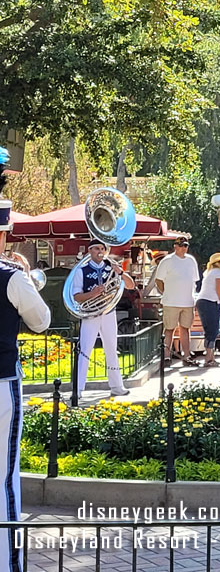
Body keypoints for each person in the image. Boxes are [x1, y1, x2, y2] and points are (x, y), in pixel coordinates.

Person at [0, 164, 51, 569]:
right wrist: (26, 281)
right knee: (5, 478)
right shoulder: (12, 278)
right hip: (1, 383)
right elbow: (42, 321)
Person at [70, 239, 136, 396]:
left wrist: (120, 272)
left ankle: (116, 386)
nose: (100, 251)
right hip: (90, 314)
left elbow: (131, 285)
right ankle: (78, 389)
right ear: (90, 251)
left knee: (111, 349)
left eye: (102, 248)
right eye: (96, 248)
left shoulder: (111, 268)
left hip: (108, 312)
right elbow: (77, 296)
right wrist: (93, 294)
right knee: (85, 350)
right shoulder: (82, 270)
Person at [153, 237, 199, 365]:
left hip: (188, 301)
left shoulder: (191, 260)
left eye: (186, 245)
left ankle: (187, 355)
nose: (184, 248)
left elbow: (194, 279)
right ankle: (167, 356)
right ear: (175, 246)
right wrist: (166, 292)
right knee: (169, 329)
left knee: (185, 329)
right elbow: (159, 280)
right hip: (171, 302)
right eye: (181, 245)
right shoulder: (167, 261)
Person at [196, 253, 220, 368]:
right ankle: (209, 359)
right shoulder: (218, 273)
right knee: (213, 330)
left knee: (209, 330)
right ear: (219, 263)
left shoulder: (210, 272)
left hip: (204, 301)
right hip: (210, 301)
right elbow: (219, 289)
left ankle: (210, 357)